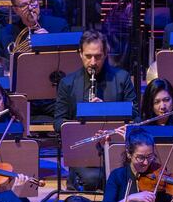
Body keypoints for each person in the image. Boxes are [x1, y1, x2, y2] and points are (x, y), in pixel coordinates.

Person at [53, 30, 137, 191]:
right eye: (88, 56)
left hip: (116, 150)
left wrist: (105, 110)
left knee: (122, 175)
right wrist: (83, 122)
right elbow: (58, 122)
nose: (93, 62)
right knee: (94, 179)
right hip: (84, 152)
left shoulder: (122, 78)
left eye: (98, 56)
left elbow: (136, 117)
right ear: (80, 53)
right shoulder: (68, 83)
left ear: (106, 53)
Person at [0, 0, 68, 62]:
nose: (30, 8)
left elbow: (67, 60)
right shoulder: (5, 34)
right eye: (24, 5)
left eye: (33, 1)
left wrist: (50, 42)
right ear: (16, 10)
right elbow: (2, 65)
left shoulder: (59, 26)